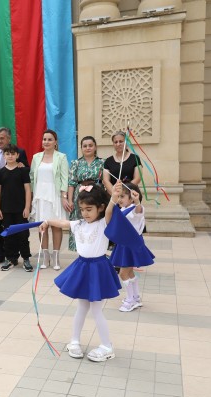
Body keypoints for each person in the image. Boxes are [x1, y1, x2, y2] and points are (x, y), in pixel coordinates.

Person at [41, 184, 120, 362]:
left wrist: (114, 197)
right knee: (82, 307)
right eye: (82, 209)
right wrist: (46, 221)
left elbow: (109, 211)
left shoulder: (103, 223)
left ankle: (107, 346)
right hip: (82, 267)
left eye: (89, 209)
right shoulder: (79, 224)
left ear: (99, 207)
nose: (84, 213)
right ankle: (74, 341)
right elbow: (62, 222)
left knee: (96, 309)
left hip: (98, 269)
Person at [0, 127, 28, 265]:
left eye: (2, 138)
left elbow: (26, 170)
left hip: (14, 198)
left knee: (15, 227)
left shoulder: (19, 152)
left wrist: (22, 165)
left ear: (9, 138)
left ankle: (18, 255)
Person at [110, 182, 154, 312]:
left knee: (123, 273)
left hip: (130, 245)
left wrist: (137, 201)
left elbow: (139, 211)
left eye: (122, 196)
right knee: (129, 272)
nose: (120, 199)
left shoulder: (135, 209)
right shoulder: (122, 209)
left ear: (132, 197)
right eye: (119, 196)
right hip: (124, 244)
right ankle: (135, 297)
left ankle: (130, 300)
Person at [30, 129, 69, 270]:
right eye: (44, 139)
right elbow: (32, 177)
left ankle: (56, 257)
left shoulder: (61, 157)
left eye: (49, 139)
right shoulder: (36, 157)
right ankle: (45, 257)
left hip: (55, 195)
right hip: (40, 195)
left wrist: (64, 197)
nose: (46, 142)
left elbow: (65, 178)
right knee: (42, 227)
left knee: (56, 226)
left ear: (55, 142)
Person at [0, 144, 33, 272]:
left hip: (21, 209)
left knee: (23, 235)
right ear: (4, 156)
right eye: (7, 154)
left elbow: (28, 190)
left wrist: (27, 207)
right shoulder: (1, 172)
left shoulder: (22, 171)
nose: (10, 156)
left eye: (12, 153)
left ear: (17, 155)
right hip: (6, 210)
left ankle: (26, 258)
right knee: (8, 236)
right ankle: (10, 258)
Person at [67, 136, 104, 251]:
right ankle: (82, 250)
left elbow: (105, 180)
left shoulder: (102, 162)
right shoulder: (75, 163)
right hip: (80, 196)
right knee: (80, 223)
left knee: (96, 222)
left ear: (95, 147)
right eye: (85, 146)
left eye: (90, 145)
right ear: (81, 148)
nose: (88, 148)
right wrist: (69, 200)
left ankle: (96, 249)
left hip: (96, 195)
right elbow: (71, 183)